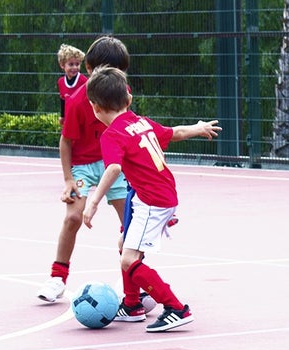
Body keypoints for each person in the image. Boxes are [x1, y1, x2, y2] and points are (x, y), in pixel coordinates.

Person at [82, 66, 221, 332]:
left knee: (129, 259)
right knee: (125, 243)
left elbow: (113, 168)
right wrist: (198, 127)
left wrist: (93, 201)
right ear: (129, 99)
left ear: (95, 108)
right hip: (161, 195)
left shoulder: (112, 135)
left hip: (152, 202)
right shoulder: (141, 122)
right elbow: (175, 133)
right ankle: (133, 305)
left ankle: (176, 308)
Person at [37, 36, 131, 303]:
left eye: (120, 72)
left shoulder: (123, 93)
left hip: (112, 164)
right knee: (73, 217)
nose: (116, 77)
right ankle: (57, 278)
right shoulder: (78, 100)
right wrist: (68, 180)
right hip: (82, 166)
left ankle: (134, 283)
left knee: (131, 223)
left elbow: (128, 131)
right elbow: (66, 141)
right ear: (90, 70)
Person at [56, 44, 87, 125]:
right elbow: (63, 100)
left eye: (77, 64)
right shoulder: (61, 82)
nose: (74, 67)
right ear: (62, 65)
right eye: (71, 64)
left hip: (82, 120)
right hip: (69, 120)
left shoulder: (84, 81)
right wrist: (62, 116)